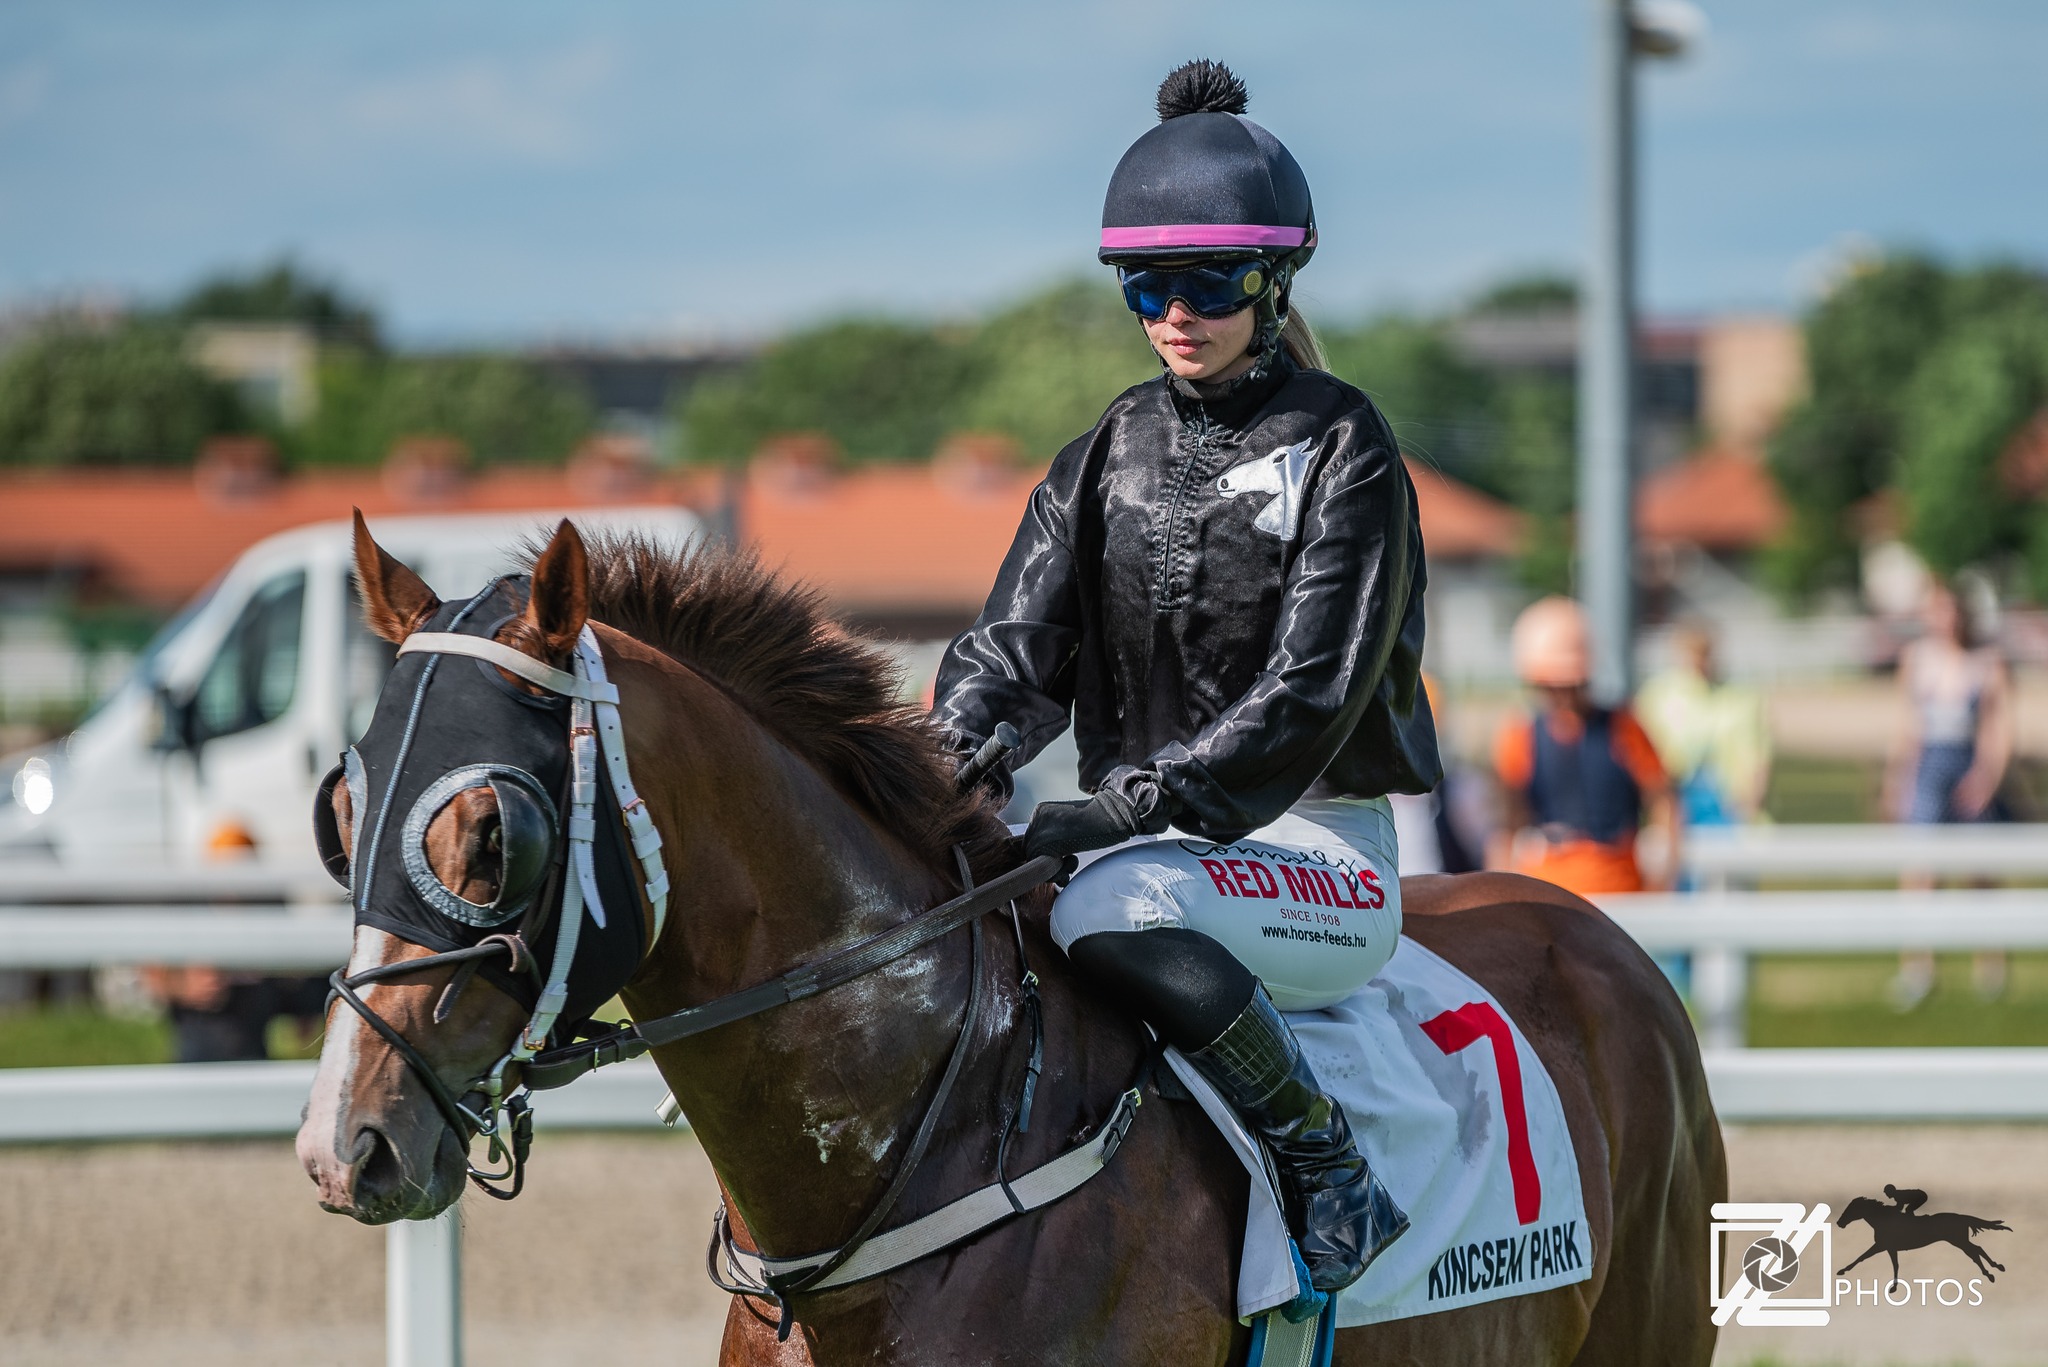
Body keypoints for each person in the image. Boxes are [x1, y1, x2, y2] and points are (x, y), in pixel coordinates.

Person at [930, 59, 1439, 1294]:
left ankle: (1324, 1162)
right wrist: (937, 756)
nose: (1173, 310)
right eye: (1144, 285)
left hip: (1312, 854)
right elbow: (1011, 649)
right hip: (1146, 847)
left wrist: (1136, 803)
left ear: (1271, 280)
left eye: (1205, 281)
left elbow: (1310, 689)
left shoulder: (1342, 444)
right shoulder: (1105, 449)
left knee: (1105, 909)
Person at [1490, 598, 1681, 896]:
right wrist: (1499, 891)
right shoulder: (1520, 736)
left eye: (1570, 683)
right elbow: (1508, 822)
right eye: (1552, 684)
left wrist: (1663, 877)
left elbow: (1664, 801)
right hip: (1544, 892)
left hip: (1619, 891)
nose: (1562, 693)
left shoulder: (1624, 728)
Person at [1883, 579, 2013, 1007]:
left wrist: (1985, 777)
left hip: (1969, 769)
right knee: (1921, 873)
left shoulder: (1987, 663)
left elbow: (1998, 731)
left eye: (1951, 609)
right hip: (1927, 771)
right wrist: (1897, 779)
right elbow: (1907, 729)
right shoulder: (1917, 660)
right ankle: (1919, 967)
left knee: (1981, 872)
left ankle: (1991, 968)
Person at [1637, 621, 1772, 831]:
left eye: (1703, 654)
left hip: (1730, 806)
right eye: (1692, 654)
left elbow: (1757, 754)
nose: (1698, 662)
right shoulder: (1658, 695)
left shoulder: (1740, 699)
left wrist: (1751, 801)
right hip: (1676, 805)